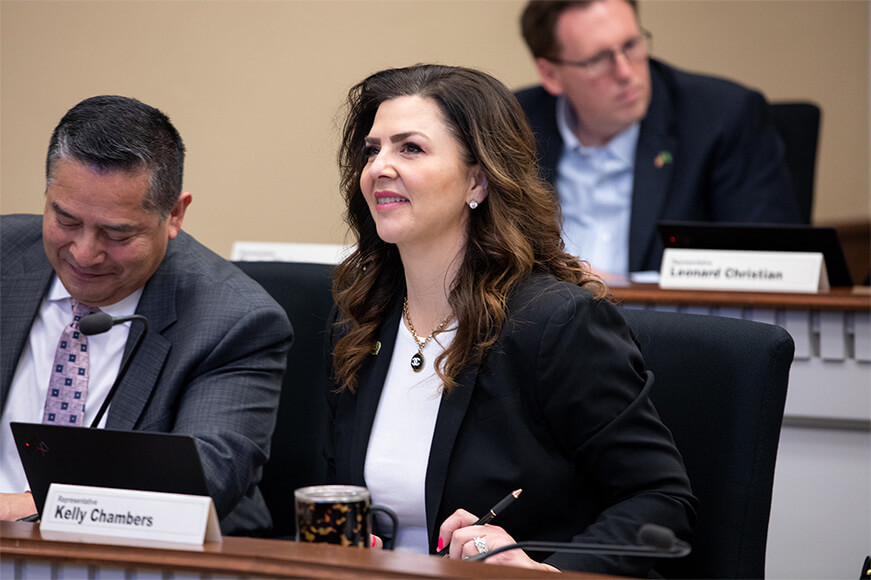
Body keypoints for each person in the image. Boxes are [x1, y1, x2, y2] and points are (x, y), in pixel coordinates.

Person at [326, 64, 696, 576]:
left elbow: (659, 499)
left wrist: (544, 571)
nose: (380, 167)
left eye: (409, 148)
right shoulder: (361, 320)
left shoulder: (556, 323)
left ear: (478, 179)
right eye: (373, 150)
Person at [0, 95, 293, 536]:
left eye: (117, 233)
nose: (84, 251)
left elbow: (200, 483)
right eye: (66, 220)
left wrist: (31, 505)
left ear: (174, 214)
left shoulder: (235, 321)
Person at [517, 0, 801, 276]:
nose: (626, 72)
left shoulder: (722, 119)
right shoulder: (514, 126)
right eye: (599, 60)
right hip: (547, 321)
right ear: (551, 74)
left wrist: (616, 287)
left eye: (631, 45)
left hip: (672, 322)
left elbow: (772, 266)